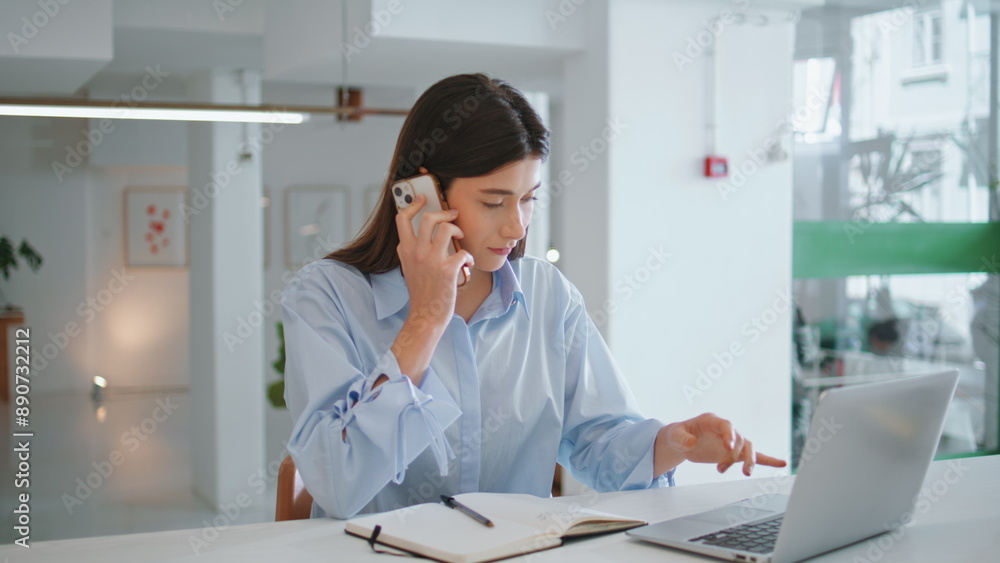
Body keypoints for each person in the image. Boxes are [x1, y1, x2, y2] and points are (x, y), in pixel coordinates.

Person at [282, 73, 786, 520]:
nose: (517, 224)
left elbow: (597, 441)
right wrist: (428, 319)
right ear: (419, 195)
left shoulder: (548, 295)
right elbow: (337, 483)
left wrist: (670, 443)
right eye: (494, 201)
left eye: (528, 199)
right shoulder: (326, 296)